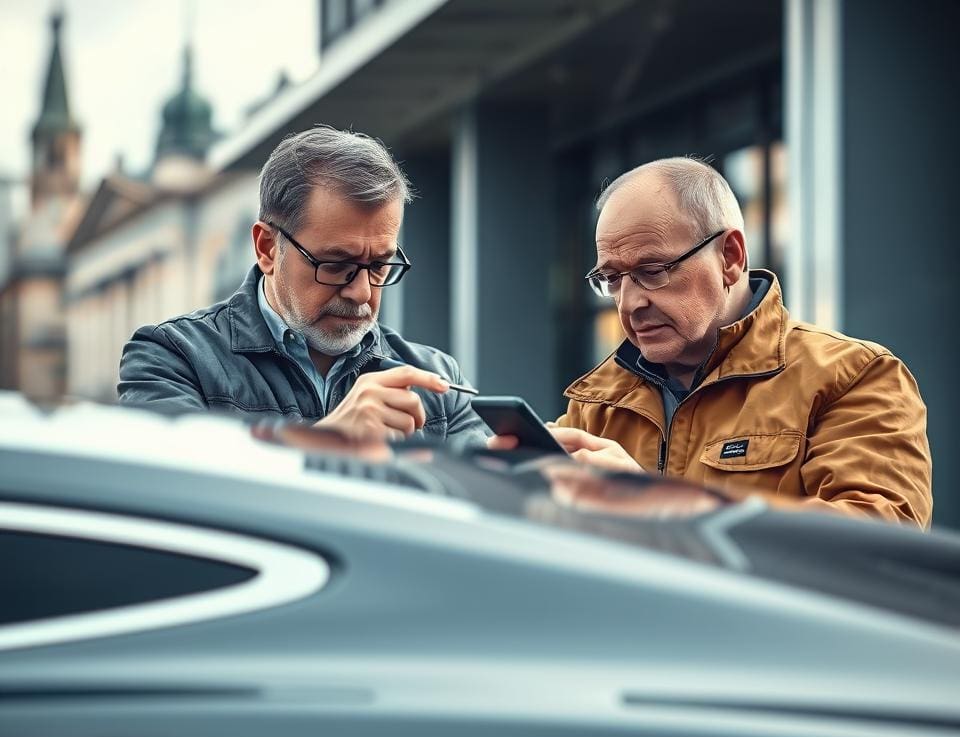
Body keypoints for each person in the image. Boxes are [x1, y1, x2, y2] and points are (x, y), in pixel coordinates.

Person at [510, 158, 932, 527]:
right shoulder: (598, 403)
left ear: (730, 257)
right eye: (612, 279)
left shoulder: (853, 377)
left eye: (653, 270)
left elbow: (878, 543)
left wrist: (658, 504)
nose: (630, 303)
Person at [119, 126, 487, 447]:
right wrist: (325, 441)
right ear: (266, 248)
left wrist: (524, 474)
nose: (361, 292)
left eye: (378, 266)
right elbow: (175, 493)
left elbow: (475, 512)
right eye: (336, 265)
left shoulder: (437, 381)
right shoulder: (172, 358)